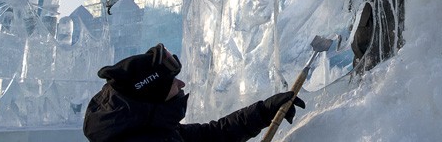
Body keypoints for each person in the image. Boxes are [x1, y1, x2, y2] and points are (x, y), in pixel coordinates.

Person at [83, 43, 305, 142]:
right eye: (172, 82)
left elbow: (213, 135)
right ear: (153, 96)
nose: (181, 84)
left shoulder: (152, 130)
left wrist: (264, 112)